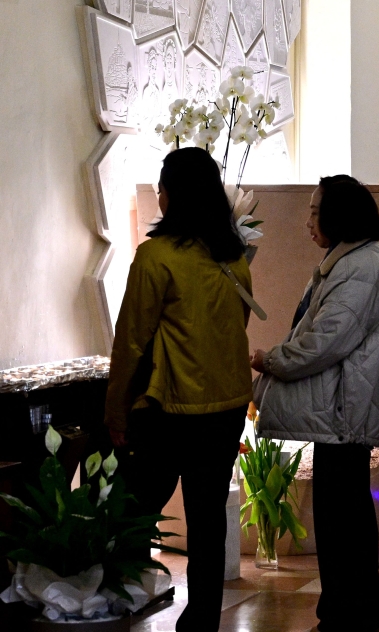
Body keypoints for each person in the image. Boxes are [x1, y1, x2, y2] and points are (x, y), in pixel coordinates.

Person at [104, 147, 253, 632]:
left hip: (172, 408)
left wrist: (117, 411)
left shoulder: (155, 257)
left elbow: (131, 340)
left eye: (162, 187)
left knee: (131, 512)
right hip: (227, 404)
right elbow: (237, 324)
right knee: (208, 519)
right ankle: (202, 621)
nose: (159, 195)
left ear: (174, 196)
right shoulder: (233, 257)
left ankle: (114, 605)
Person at [251, 175, 379, 632]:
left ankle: (358, 614)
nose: (308, 221)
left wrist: (271, 360)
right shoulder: (348, 261)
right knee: (340, 518)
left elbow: (325, 341)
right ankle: (344, 610)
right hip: (339, 411)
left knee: (345, 522)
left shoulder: (359, 266)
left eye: (316, 211)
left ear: (340, 216)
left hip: (344, 411)